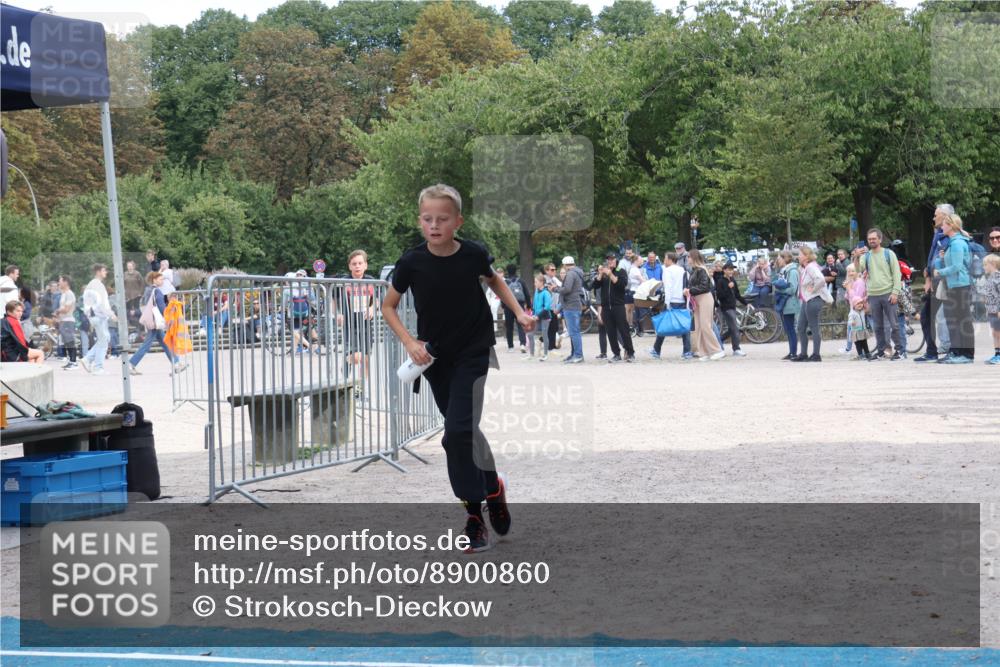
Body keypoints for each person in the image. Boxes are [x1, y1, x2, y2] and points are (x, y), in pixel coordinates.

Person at [381, 183, 531, 553]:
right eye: (427, 219)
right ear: (420, 221)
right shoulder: (411, 262)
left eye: (443, 219)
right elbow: (388, 306)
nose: (434, 225)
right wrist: (410, 343)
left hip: (474, 352)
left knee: (456, 433)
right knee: (465, 431)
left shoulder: (473, 254)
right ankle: (493, 487)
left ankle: (474, 517)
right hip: (435, 359)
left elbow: (494, 280)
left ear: (458, 222)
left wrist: (518, 312)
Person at [914, 205, 954, 362]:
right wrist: (928, 279)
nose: (933, 217)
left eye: (936, 215)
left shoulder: (952, 236)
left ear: (944, 216)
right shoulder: (937, 234)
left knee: (951, 316)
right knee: (925, 316)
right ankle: (931, 351)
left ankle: (953, 351)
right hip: (935, 283)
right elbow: (931, 257)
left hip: (947, 283)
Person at [933, 214, 975, 363]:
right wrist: (941, 259)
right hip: (955, 285)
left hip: (960, 286)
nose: (941, 227)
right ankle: (957, 353)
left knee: (963, 321)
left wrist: (940, 272)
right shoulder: (953, 242)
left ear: (951, 225)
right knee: (956, 321)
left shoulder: (957, 243)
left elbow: (957, 266)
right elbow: (956, 263)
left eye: (944, 224)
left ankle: (967, 355)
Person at [129, 271, 184, 374]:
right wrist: (168, 317)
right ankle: (131, 364)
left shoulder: (148, 290)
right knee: (146, 345)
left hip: (152, 320)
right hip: (155, 322)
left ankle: (176, 364)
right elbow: (161, 306)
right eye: (160, 279)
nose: (162, 281)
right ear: (154, 280)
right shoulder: (157, 291)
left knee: (165, 343)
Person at [861, 228, 903, 360]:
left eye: (874, 238)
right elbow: (858, 269)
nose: (871, 241)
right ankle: (881, 351)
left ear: (880, 239)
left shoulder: (889, 254)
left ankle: (900, 350)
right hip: (873, 294)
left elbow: (897, 274)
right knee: (878, 326)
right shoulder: (866, 256)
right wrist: (856, 256)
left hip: (888, 292)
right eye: (869, 239)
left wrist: (895, 292)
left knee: (894, 324)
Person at [337, 250, 377, 387]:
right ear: (350, 266)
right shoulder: (343, 282)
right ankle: (345, 375)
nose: (357, 266)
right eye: (354, 264)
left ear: (365, 265)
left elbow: (377, 299)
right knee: (356, 357)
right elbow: (334, 300)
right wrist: (338, 313)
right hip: (349, 324)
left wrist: (372, 307)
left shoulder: (371, 281)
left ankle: (361, 388)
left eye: (360, 263)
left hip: (366, 323)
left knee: (366, 358)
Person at [649, 252, 692, 360]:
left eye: (665, 258)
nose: (664, 260)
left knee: (664, 324)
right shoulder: (683, 270)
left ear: (670, 259)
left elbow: (668, 287)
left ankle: (656, 350)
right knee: (684, 324)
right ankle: (687, 351)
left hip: (672, 300)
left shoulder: (667, 271)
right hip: (682, 299)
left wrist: (667, 303)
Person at [592, 252, 635, 363]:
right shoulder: (604, 273)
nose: (610, 261)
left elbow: (621, 285)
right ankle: (616, 354)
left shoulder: (621, 271)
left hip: (618, 306)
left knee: (624, 330)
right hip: (606, 307)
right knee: (610, 332)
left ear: (616, 260)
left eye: (612, 259)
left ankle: (630, 352)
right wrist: (600, 274)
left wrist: (611, 274)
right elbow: (595, 286)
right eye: (608, 259)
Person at [684, 249, 724, 361]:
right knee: (699, 327)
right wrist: (688, 290)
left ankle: (717, 350)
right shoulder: (695, 270)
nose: (687, 259)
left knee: (706, 325)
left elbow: (704, 287)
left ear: (694, 258)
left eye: (689, 257)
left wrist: (690, 290)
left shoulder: (701, 270)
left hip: (705, 298)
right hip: (698, 299)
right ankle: (704, 352)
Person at [80, 263, 116, 375]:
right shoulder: (98, 285)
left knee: (104, 339)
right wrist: (111, 314)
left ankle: (88, 359)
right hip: (99, 316)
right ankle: (98, 367)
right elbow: (102, 303)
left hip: (93, 316)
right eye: (104, 270)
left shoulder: (91, 285)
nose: (106, 272)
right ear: (98, 272)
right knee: (104, 341)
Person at [792, 246, 826, 362]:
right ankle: (803, 353)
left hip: (813, 299)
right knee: (800, 327)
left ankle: (816, 354)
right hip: (806, 300)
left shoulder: (811, 267)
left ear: (806, 256)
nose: (798, 256)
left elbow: (821, 279)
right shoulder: (805, 268)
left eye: (800, 254)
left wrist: (813, 289)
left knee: (813, 327)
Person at [714, 262, 748, 356]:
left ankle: (719, 340)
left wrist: (746, 303)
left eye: (732, 270)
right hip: (726, 308)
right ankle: (736, 349)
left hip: (733, 306)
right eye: (729, 269)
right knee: (735, 327)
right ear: (724, 270)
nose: (731, 271)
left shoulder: (733, 280)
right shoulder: (720, 281)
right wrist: (728, 288)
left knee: (732, 328)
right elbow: (720, 296)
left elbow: (737, 294)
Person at [772, 250, 800, 360]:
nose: (778, 260)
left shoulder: (792, 271)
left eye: (779, 258)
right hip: (785, 302)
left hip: (790, 302)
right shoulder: (784, 270)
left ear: (785, 258)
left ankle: (793, 352)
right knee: (788, 328)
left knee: (790, 328)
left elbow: (793, 289)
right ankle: (791, 351)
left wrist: (780, 291)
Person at [557, 256, 586, 363]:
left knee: (574, 332)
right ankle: (574, 354)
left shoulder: (570, 274)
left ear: (565, 265)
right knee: (574, 331)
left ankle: (578, 355)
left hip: (571, 306)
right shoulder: (577, 272)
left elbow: (567, 289)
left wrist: (555, 289)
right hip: (575, 305)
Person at [844, 264, 873, 360]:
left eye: (853, 271)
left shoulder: (859, 282)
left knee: (859, 333)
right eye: (849, 271)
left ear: (857, 272)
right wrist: (847, 288)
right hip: (853, 310)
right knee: (854, 332)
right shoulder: (852, 282)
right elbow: (847, 297)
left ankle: (863, 352)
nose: (850, 273)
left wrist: (849, 289)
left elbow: (857, 298)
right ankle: (856, 351)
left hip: (858, 310)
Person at [502, 264, 531, 353]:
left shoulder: (505, 282)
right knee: (521, 325)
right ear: (516, 271)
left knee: (509, 327)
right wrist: (529, 305)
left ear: (507, 271)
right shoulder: (521, 281)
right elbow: (527, 294)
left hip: (508, 306)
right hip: (519, 305)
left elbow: (502, 294)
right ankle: (522, 344)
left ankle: (510, 346)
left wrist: (503, 305)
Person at [55, 275, 79, 369]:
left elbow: (66, 309)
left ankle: (74, 362)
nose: (58, 283)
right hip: (63, 321)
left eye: (60, 281)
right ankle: (71, 361)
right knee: (67, 342)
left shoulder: (69, 294)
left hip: (68, 321)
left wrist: (57, 311)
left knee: (70, 342)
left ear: (66, 282)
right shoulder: (64, 294)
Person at [980, 253, 1000, 365]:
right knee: (995, 333)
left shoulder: (998, 277)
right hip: (991, 310)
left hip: (997, 311)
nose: (984, 267)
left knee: (998, 333)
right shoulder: (990, 278)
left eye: (985, 265)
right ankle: (997, 354)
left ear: (992, 264)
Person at [532, 274, 552, 361]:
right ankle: (532, 354)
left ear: (541, 282)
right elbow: (534, 305)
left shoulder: (546, 293)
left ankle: (545, 354)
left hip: (545, 317)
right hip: (537, 317)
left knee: (544, 334)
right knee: (531, 333)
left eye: (536, 282)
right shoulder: (536, 292)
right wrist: (533, 314)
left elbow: (547, 307)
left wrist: (538, 316)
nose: (534, 283)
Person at [542, 263, 562, 352]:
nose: (554, 271)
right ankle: (550, 347)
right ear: (546, 271)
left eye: (555, 269)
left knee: (554, 327)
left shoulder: (554, 279)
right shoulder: (544, 280)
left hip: (554, 307)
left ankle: (551, 345)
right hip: (548, 307)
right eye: (552, 270)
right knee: (550, 327)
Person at [124, 260, 145, 325]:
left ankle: (139, 323)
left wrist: (141, 293)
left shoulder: (137, 274)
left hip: (136, 295)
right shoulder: (125, 274)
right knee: (128, 310)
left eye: (130, 266)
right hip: (127, 295)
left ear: (133, 266)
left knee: (136, 310)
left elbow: (142, 283)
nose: (129, 267)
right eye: (128, 266)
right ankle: (129, 324)